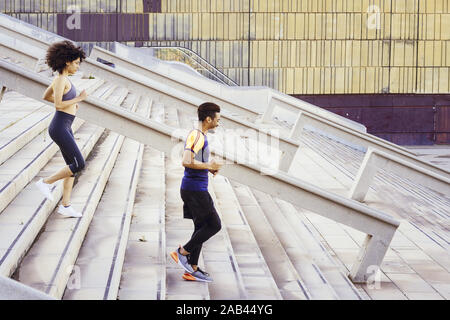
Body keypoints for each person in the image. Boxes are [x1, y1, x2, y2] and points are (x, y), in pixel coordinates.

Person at [170, 102, 223, 282]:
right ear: (208, 119)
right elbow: (185, 160)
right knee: (214, 225)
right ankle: (181, 253)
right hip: (194, 190)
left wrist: (208, 169)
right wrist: (208, 165)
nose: (218, 123)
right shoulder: (197, 135)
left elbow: (194, 162)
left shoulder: (200, 135)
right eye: (217, 119)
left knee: (201, 227)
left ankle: (191, 268)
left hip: (194, 188)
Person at [34, 40, 88, 218]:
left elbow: (45, 96)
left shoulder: (63, 80)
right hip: (59, 127)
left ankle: (65, 205)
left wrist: (71, 105)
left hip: (65, 125)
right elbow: (58, 104)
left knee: (71, 167)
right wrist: (78, 99)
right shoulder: (60, 80)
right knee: (79, 164)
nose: (78, 67)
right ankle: (45, 182)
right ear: (67, 61)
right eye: (76, 63)